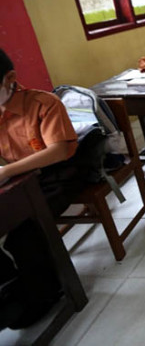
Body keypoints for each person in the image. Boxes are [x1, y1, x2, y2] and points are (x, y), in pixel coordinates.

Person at [0, 49, 79, 329]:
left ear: (10, 78)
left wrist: (8, 170)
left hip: (57, 177)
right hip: (20, 179)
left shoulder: (43, 103)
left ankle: (47, 293)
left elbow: (58, 151)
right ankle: (12, 289)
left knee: (23, 234)